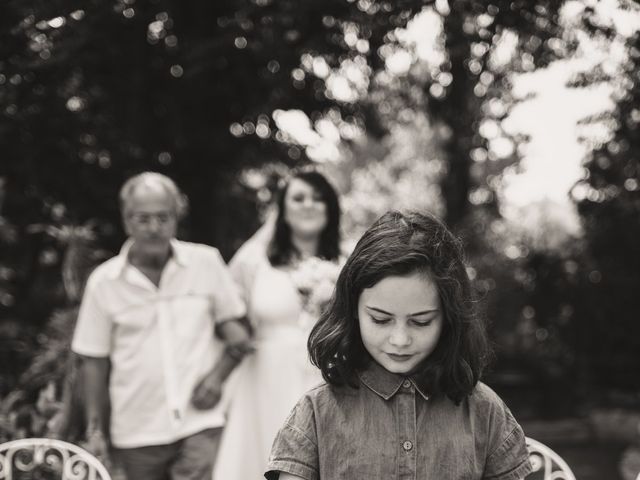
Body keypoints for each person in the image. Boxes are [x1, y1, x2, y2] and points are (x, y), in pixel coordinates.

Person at [265, 210, 533, 480]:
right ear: (354, 309)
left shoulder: (484, 410)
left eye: (421, 322)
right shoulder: (316, 411)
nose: (400, 340)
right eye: (381, 320)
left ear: (449, 317)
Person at [71, 172, 251, 480]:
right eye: (143, 219)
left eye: (163, 218)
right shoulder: (104, 283)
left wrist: (217, 378)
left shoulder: (206, 263)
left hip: (199, 422)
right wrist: (95, 429)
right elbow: (93, 361)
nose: (154, 228)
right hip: (137, 429)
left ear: (176, 218)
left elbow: (239, 335)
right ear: (127, 221)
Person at [213, 169, 342, 480]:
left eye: (318, 199)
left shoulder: (345, 262)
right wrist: (237, 337)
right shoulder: (254, 259)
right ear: (282, 209)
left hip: (326, 376)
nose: (308, 205)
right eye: (298, 198)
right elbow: (224, 309)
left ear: (330, 208)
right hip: (264, 376)